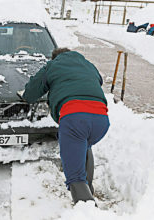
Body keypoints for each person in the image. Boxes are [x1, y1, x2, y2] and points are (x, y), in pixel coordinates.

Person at [18, 48, 110, 205]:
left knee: (75, 177)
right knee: (84, 147)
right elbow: (98, 81)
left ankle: (86, 209)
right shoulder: (88, 65)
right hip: (101, 119)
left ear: (55, 58)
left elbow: (32, 92)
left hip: (75, 117)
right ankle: (88, 192)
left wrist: (25, 95)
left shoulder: (53, 66)